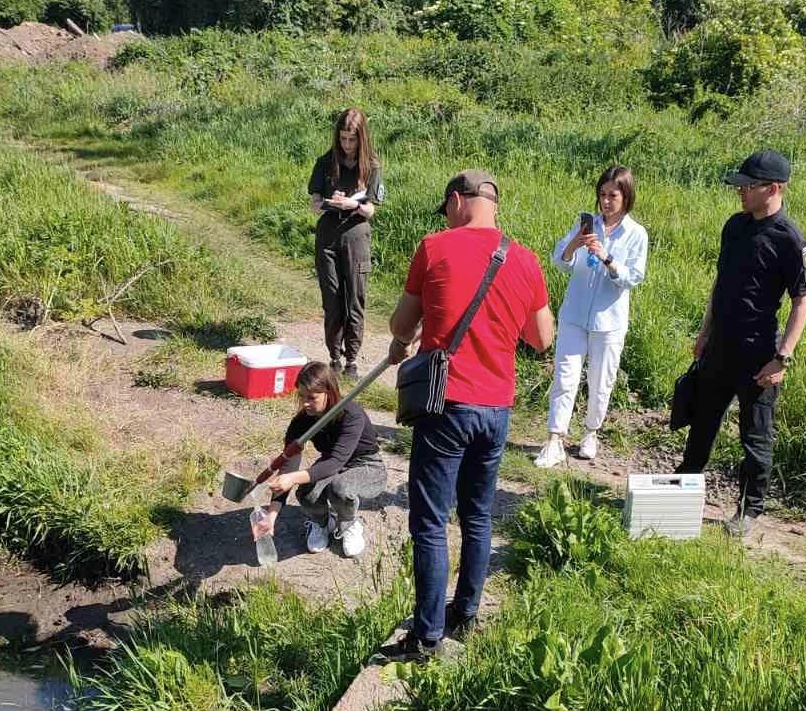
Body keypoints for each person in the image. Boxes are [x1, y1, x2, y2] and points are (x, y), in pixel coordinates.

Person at [382, 170, 554, 661]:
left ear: (457, 201)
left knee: (431, 522)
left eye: (449, 209)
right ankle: (466, 613)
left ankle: (427, 638)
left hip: (447, 405)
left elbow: (401, 324)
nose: (448, 218)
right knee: (477, 515)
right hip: (496, 409)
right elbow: (542, 338)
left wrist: (409, 335)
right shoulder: (524, 259)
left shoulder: (435, 246)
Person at [675, 149, 806, 539]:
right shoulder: (734, 226)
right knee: (702, 423)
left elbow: (803, 301)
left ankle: (749, 509)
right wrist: (705, 331)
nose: (741, 191)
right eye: (740, 185)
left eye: (749, 186)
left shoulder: (790, 239)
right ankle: (683, 491)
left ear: (774, 188)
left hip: (759, 353)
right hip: (720, 345)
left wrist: (782, 357)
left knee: (756, 435)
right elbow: (720, 283)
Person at [534, 165, 649, 467]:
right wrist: (575, 244)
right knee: (565, 376)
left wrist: (607, 259)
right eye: (602, 194)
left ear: (626, 197)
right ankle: (554, 439)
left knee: (601, 380)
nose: (606, 201)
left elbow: (634, 277)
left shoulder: (636, 234)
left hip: (609, 321)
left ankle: (590, 432)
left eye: (613, 196)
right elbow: (560, 261)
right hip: (574, 314)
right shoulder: (586, 223)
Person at [252, 361, 386, 559]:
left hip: (367, 464)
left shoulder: (351, 414)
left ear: (329, 393)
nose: (305, 403)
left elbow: (336, 461)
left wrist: (293, 478)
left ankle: (349, 524)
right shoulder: (302, 421)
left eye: (312, 397)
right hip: (331, 464)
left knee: (340, 488)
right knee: (307, 493)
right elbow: (289, 464)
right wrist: (271, 515)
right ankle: (322, 523)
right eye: (301, 396)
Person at [308, 108, 384, 379]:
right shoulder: (325, 162)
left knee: (355, 297)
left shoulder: (372, 166)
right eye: (343, 139)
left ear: (362, 138)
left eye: (352, 140)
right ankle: (334, 356)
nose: (347, 145)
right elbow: (314, 203)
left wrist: (354, 205)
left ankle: (352, 359)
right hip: (328, 233)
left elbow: (371, 209)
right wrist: (329, 203)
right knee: (332, 298)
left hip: (356, 234)